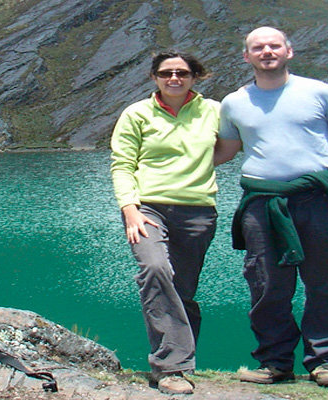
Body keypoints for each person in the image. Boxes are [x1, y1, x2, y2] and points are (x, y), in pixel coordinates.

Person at [215, 27, 328, 389]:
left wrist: (324, 175)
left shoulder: (318, 92)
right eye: (258, 48)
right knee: (267, 284)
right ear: (246, 56)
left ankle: (325, 361)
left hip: (318, 200)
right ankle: (275, 363)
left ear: (289, 51)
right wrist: (174, 165)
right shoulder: (235, 102)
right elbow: (226, 151)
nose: (266, 52)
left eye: (273, 46)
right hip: (262, 202)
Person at [109, 51, 220, 395]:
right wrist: (129, 208)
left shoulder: (214, 111)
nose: (174, 78)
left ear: (194, 76)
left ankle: (182, 364)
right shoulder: (136, 113)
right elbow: (122, 163)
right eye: (166, 72)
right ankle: (170, 366)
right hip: (147, 209)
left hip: (198, 211)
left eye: (182, 72)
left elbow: (231, 146)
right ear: (154, 77)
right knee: (155, 269)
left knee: (182, 290)